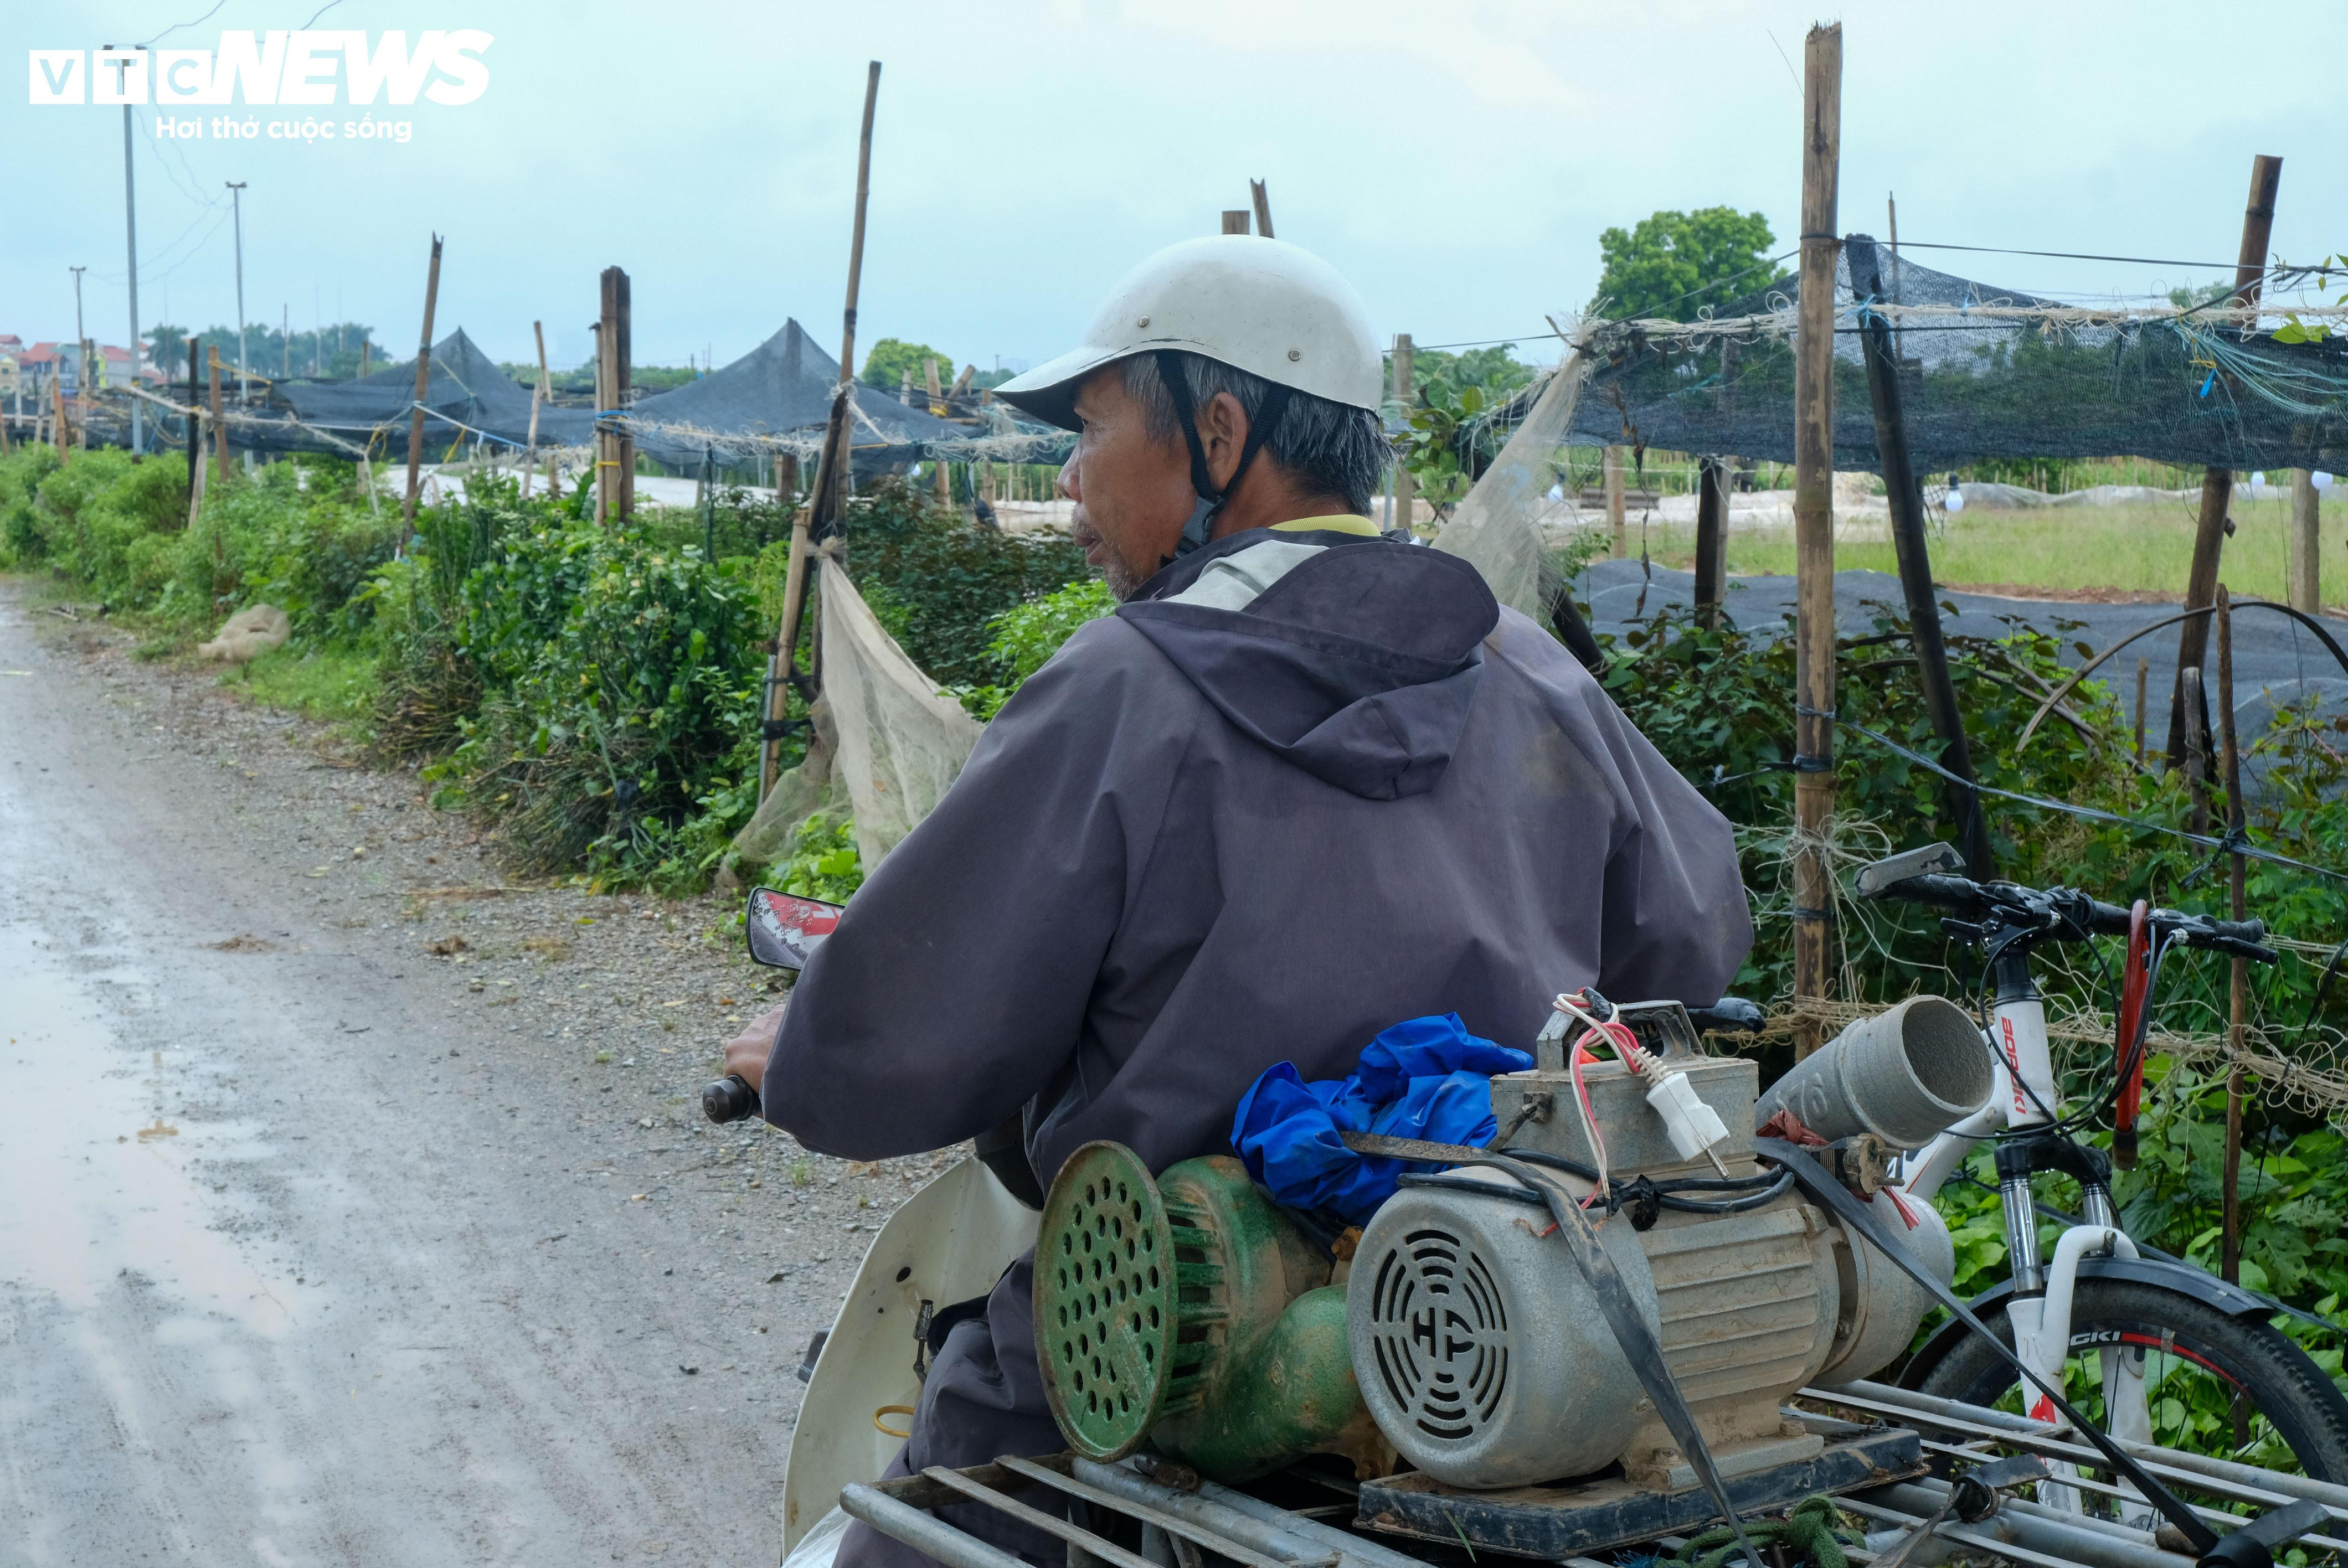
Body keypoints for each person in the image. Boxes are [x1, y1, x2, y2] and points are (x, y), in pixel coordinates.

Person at [722, 235, 1752, 1568]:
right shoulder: (1529, 671)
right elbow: (1692, 937)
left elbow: (917, 1030)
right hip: (1498, 1320)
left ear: (1218, 434)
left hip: (1159, 1331)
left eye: (1092, 429)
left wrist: (805, 1057)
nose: (1072, 480)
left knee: (931, 1527)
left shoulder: (1122, 690)